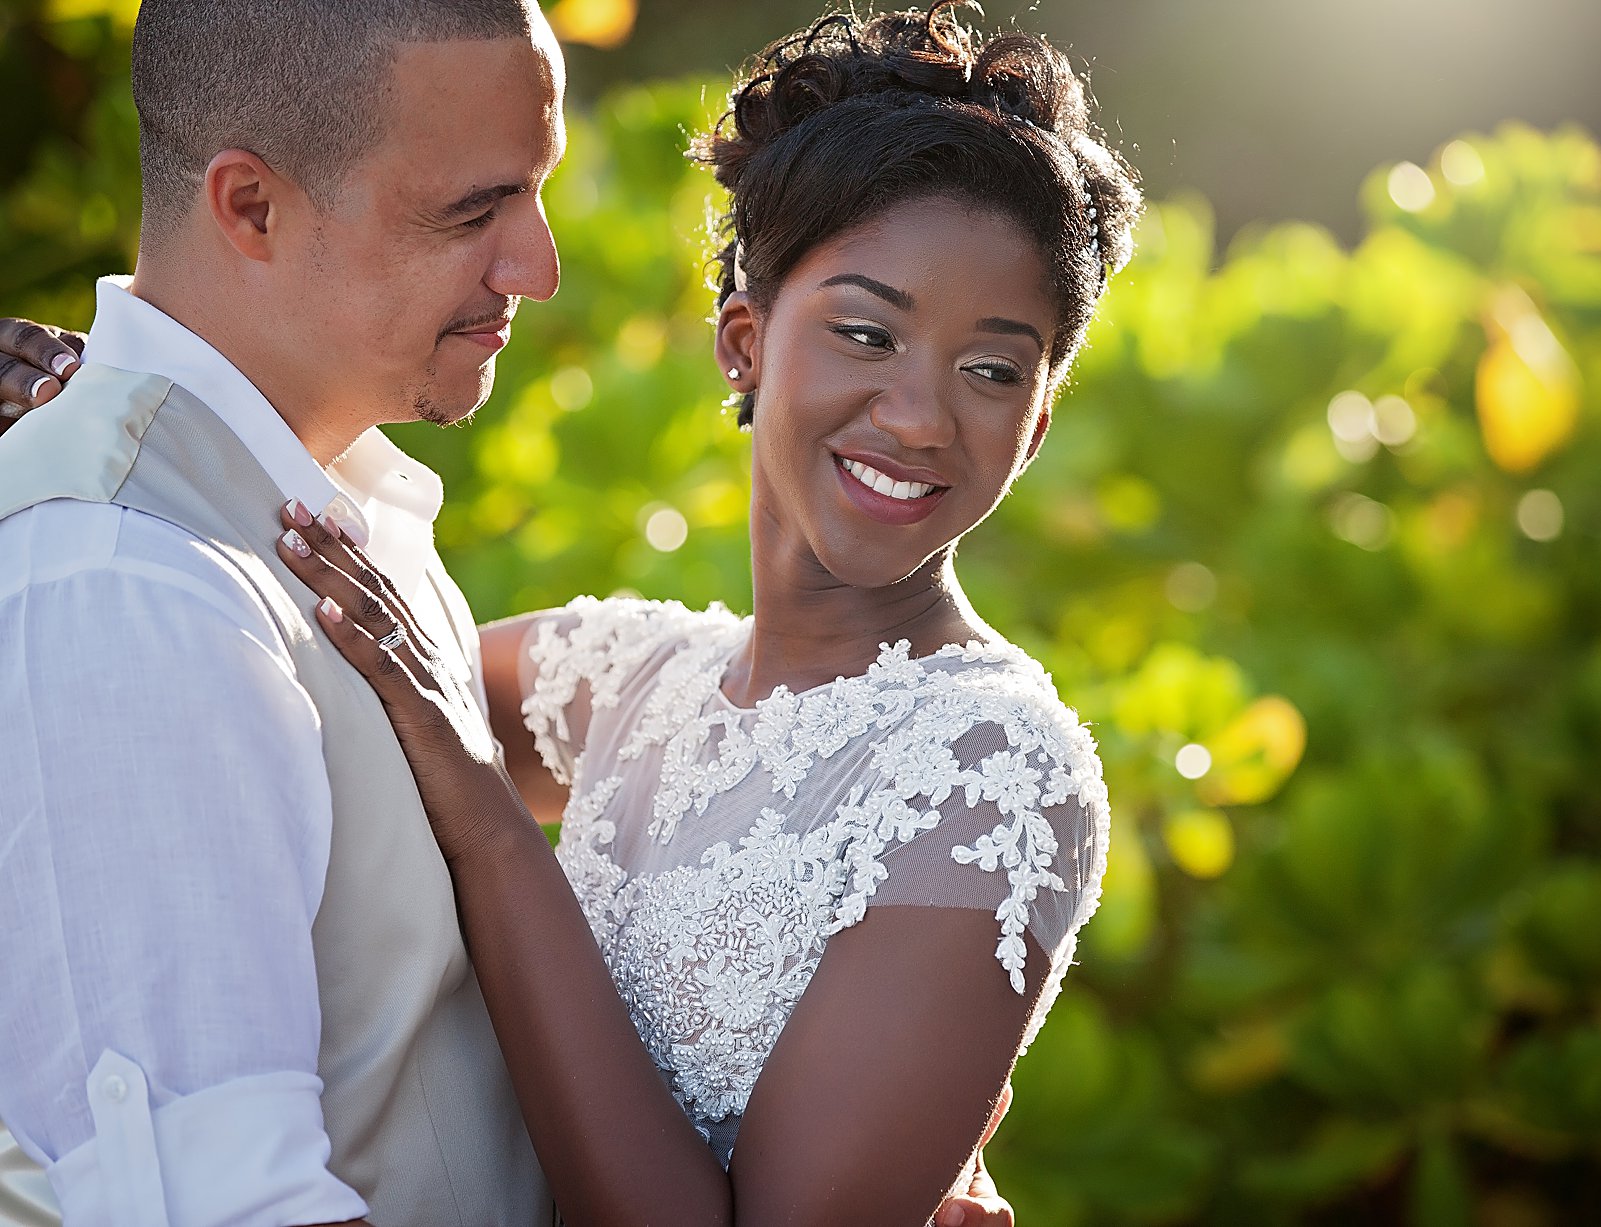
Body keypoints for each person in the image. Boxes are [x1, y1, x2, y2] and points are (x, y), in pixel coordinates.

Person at [0, 2, 1016, 1224]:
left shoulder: (337, 526)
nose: (535, 266)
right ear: (250, 207)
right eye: (471, 211)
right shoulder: (127, 589)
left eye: (535, 193)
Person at [258, 5, 1139, 1224]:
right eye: (866, 332)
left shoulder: (990, 770)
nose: (924, 416)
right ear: (745, 341)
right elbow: (298, 658)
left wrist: (498, 836)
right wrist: (126, 413)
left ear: (1035, 423)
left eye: (993, 369)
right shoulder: (626, 675)